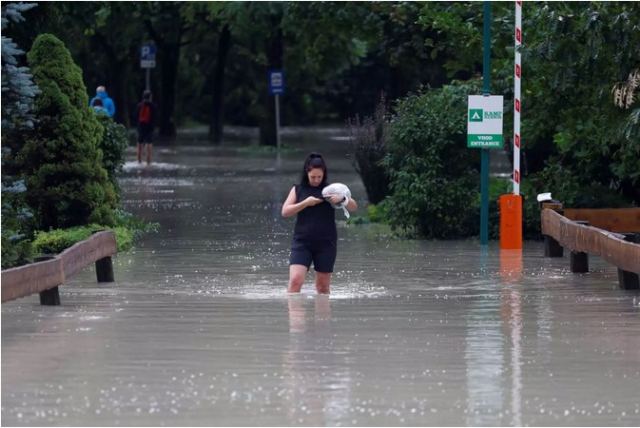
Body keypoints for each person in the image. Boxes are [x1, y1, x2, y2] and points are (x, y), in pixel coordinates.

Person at [281, 153, 358, 294]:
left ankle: (323, 316)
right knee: (295, 281)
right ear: (307, 173)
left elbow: (354, 207)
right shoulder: (298, 189)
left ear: (324, 174)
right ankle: (293, 315)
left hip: (326, 243)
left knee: (323, 288)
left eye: (319, 177)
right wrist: (305, 203)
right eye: (313, 177)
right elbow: (285, 212)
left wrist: (343, 199)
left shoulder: (331, 190)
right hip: (302, 242)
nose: (316, 180)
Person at [136, 90, 157, 165]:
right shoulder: (153, 106)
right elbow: (154, 117)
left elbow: (136, 116)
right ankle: (148, 162)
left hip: (141, 126)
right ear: (150, 97)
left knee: (139, 143)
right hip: (149, 127)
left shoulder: (139, 105)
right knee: (149, 143)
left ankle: (139, 161)